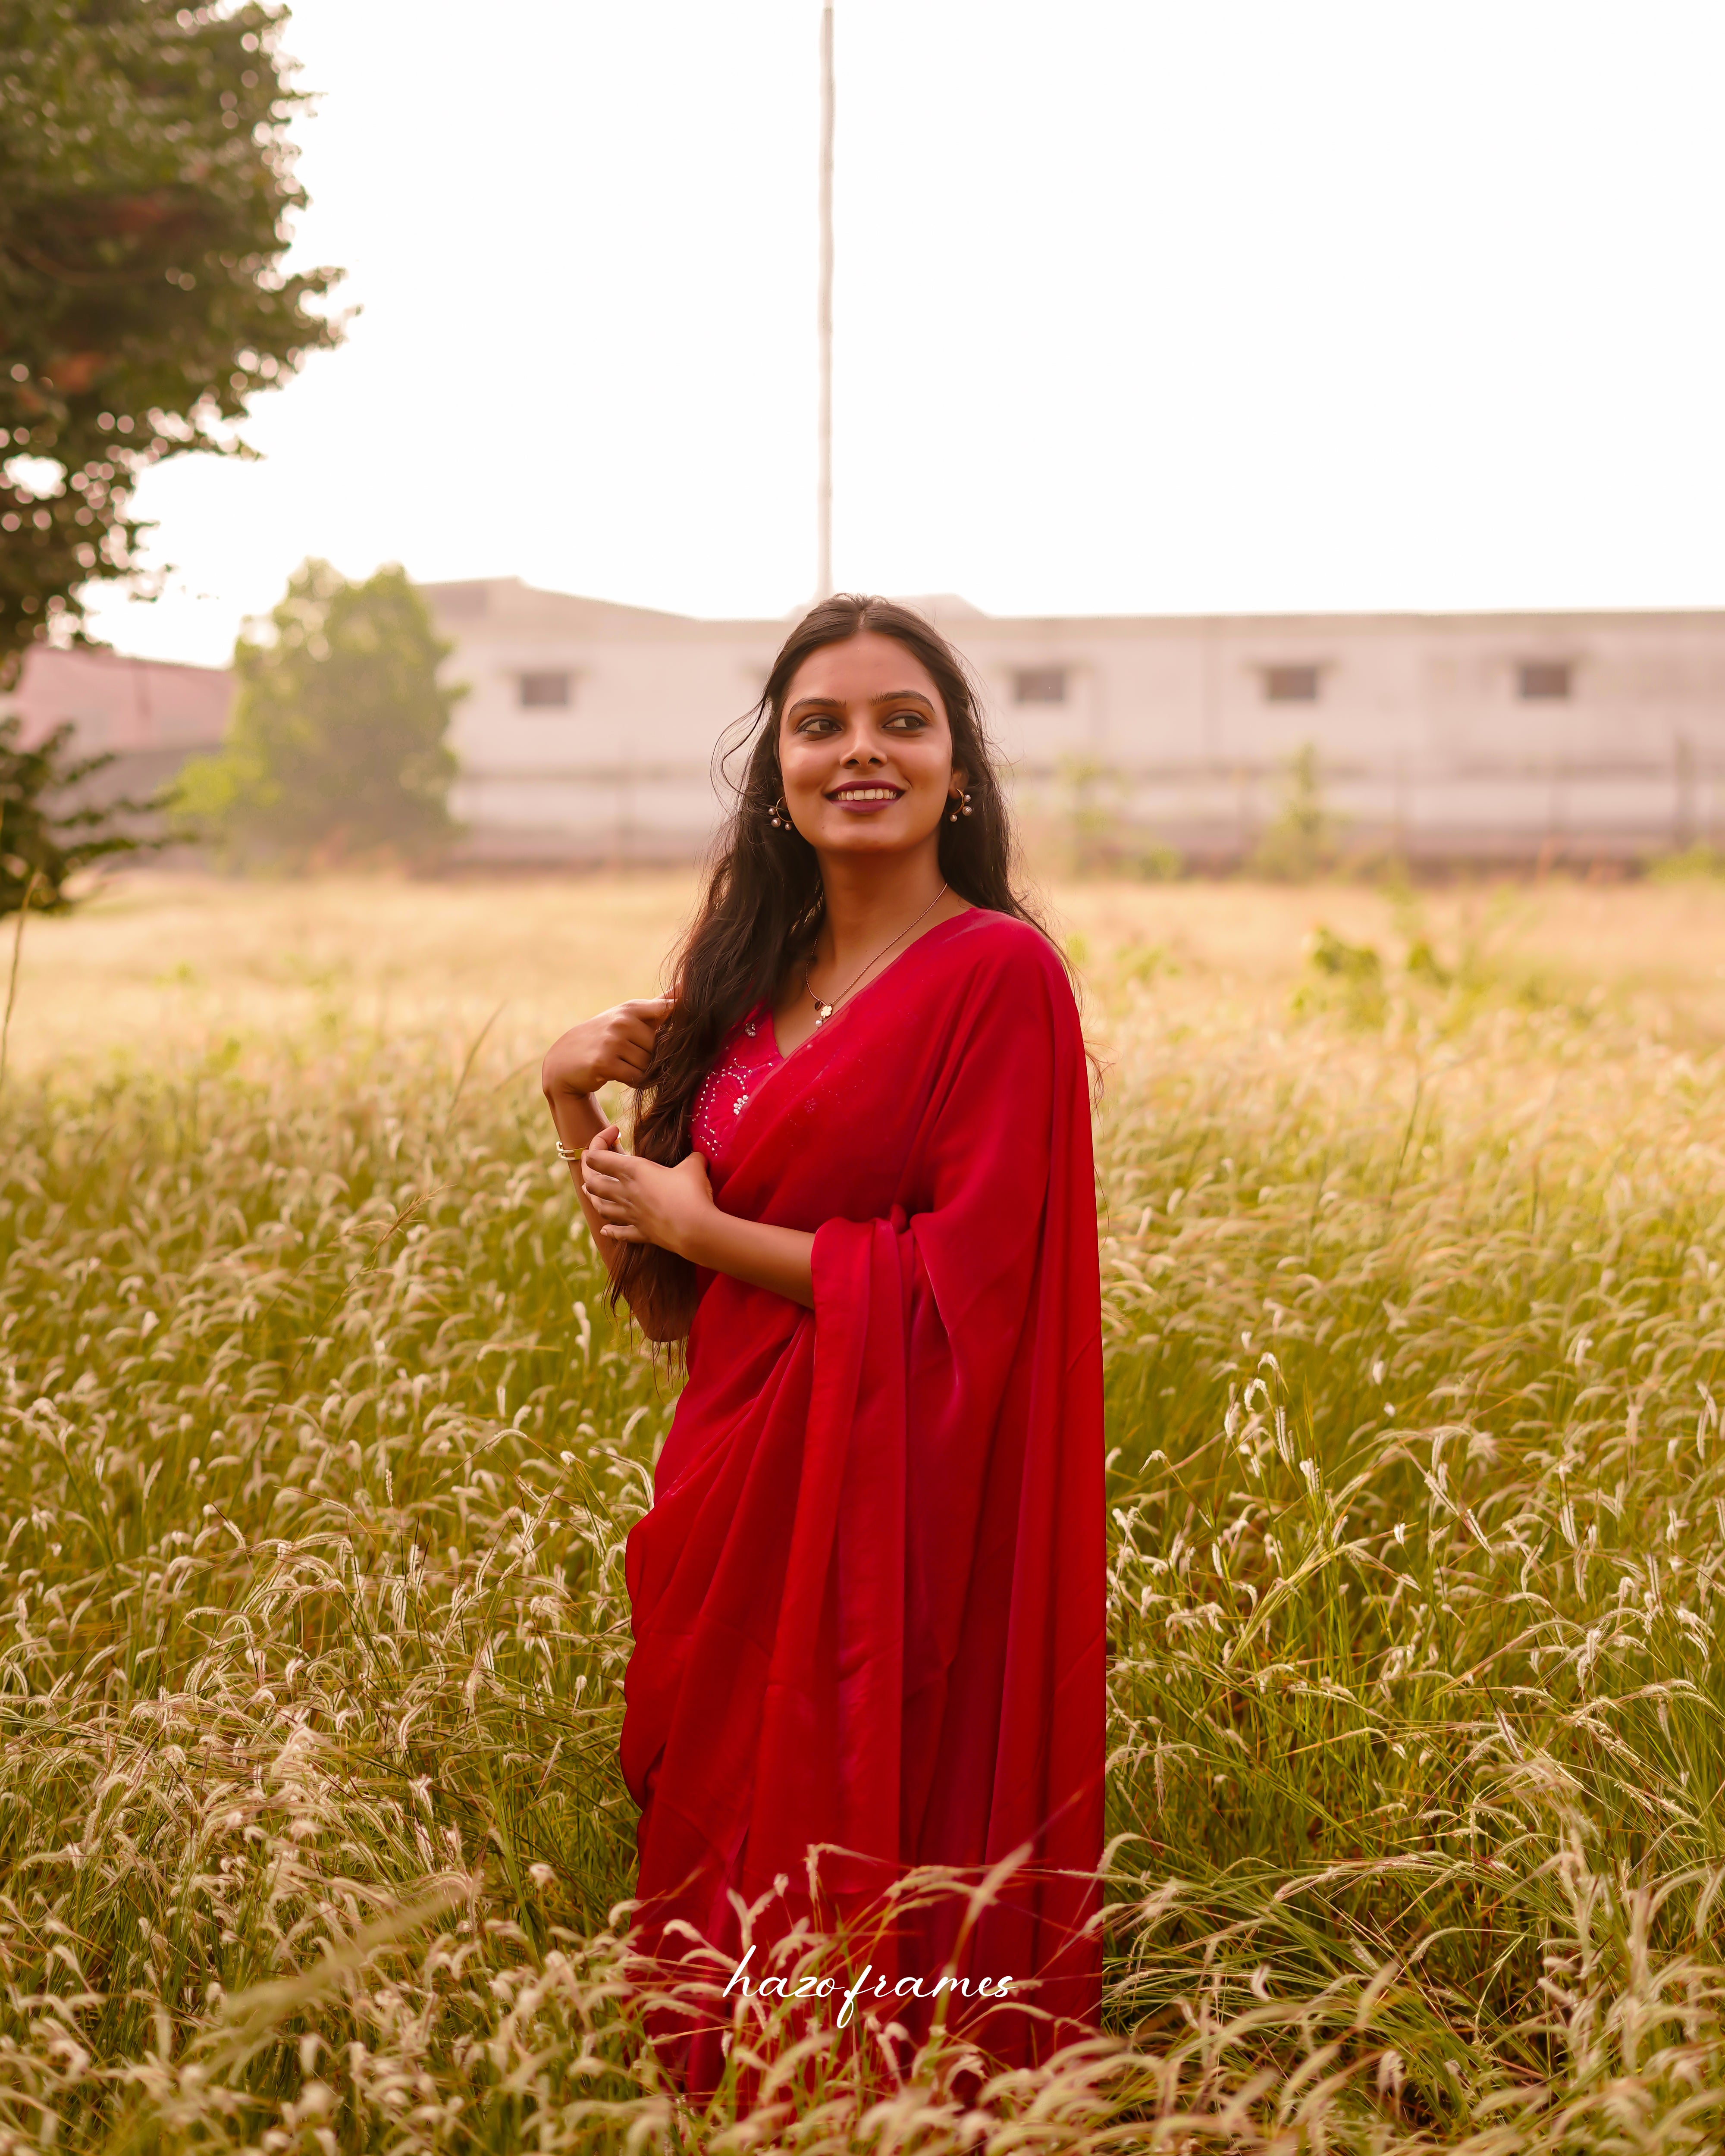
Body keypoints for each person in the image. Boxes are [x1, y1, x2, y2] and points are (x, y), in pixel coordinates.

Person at [540, 595, 1105, 2093]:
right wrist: (567, 1104)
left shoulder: (1000, 978)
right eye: (822, 725)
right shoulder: (745, 986)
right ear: (776, 772)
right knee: (722, 1833)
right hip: (736, 1477)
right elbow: (660, 1291)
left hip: (893, 1495)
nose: (862, 751)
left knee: (870, 1825)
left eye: (901, 720)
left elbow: (972, 1288)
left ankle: (884, 2090)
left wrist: (708, 1233)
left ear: (958, 768)